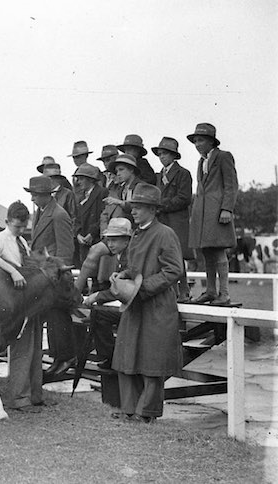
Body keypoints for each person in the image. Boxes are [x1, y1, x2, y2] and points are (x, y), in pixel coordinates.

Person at [111, 184, 183, 423]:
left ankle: (146, 413)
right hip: (136, 303)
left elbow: (174, 270)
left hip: (157, 304)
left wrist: (144, 288)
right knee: (127, 356)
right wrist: (124, 276)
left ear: (152, 209)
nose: (133, 211)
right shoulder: (137, 234)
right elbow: (134, 267)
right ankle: (129, 409)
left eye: (138, 207)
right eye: (133, 207)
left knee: (153, 360)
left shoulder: (165, 234)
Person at [0, 201, 46, 412]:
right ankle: (18, 398)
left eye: (23, 226)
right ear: (7, 221)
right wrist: (13, 271)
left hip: (28, 298)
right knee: (22, 348)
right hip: (13, 299)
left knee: (35, 347)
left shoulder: (21, 241)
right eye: (16, 226)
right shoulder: (1, 238)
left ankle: (35, 394)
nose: (20, 230)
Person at [23, 176, 76, 379]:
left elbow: (65, 251)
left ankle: (65, 357)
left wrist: (56, 275)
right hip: (42, 274)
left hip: (54, 277)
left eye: (36, 195)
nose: (33, 198)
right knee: (50, 319)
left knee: (57, 316)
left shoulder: (59, 215)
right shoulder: (40, 212)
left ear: (47, 195)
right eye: (32, 195)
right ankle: (58, 358)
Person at [187, 123, 239, 305]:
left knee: (218, 251)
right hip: (202, 214)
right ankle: (210, 291)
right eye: (195, 141)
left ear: (211, 141)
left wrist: (227, 209)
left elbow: (231, 185)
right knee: (206, 252)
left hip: (217, 212)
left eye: (200, 140)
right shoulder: (201, 161)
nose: (197, 144)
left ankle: (224, 294)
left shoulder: (224, 157)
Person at [79, 218, 132, 368]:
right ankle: (109, 357)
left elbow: (122, 290)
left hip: (138, 310)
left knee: (99, 314)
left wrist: (97, 296)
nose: (110, 245)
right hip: (129, 306)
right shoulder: (121, 256)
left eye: (115, 240)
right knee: (98, 313)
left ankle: (110, 358)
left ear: (127, 240)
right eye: (108, 240)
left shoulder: (131, 257)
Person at [153, 137, 193, 302]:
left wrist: (162, 205)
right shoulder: (158, 175)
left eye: (165, 153)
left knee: (178, 256)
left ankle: (184, 291)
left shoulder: (183, 173)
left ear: (173, 155)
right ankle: (170, 291)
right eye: (160, 154)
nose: (162, 157)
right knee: (163, 256)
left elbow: (184, 198)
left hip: (177, 219)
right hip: (162, 219)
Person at [100, 153, 144, 234]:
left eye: (121, 169)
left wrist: (119, 202)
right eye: (117, 171)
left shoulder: (140, 187)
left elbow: (140, 209)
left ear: (131, 170)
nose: (118, 174)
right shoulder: (120, 189)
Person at [73, 164, 105, 268]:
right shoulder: (81, 196)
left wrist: (92, 234)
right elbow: (77, 218)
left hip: (96, 242)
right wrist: (78, 234)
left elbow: (103, 217)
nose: (79, 182)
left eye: (81, 179)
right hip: (84, 243)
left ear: (91, 180)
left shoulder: (102, 193)